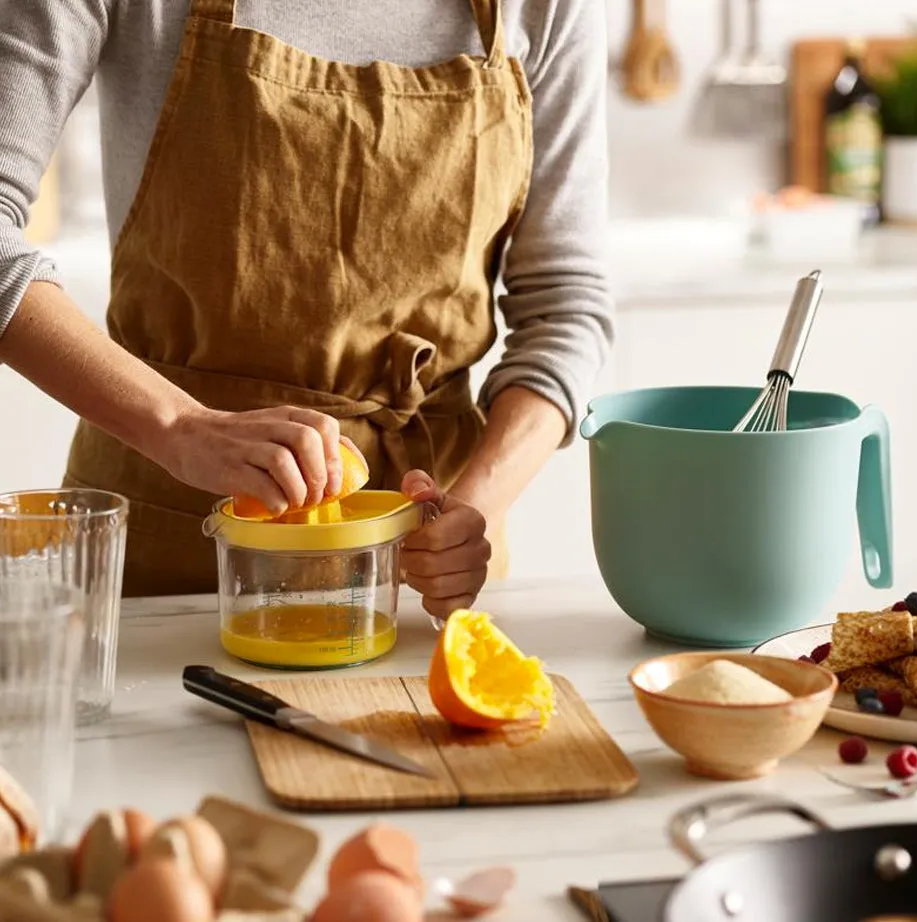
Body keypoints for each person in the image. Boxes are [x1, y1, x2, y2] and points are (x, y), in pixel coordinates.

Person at [0, 0, 613, 619]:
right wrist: (179, 427)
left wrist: (472, 509)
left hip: (423, 591)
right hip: (167, 574)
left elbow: (566, 306)